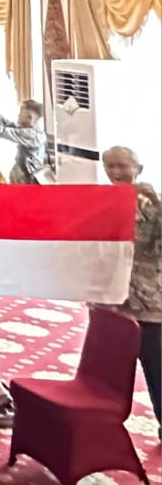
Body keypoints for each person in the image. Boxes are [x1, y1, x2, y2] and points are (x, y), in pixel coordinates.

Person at [100, 145, 160, 424]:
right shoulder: (100, 201)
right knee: (105, 371)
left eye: (122, 166)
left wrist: (156, 203)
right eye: (110, 166)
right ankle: (101, 424)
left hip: (148, 303)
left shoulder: (152, 202)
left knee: (157, 368)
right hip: (110, 301)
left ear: (139, 169)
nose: (116, 171)